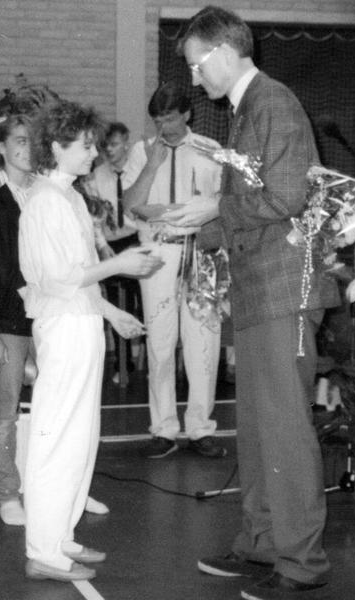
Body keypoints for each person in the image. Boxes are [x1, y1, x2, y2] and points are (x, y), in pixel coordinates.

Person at [165, 7, 340, 600]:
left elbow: (286, 196)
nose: (194, 80)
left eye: (196, 65)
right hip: (261, 290)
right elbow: (256, 205)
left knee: (285, 431)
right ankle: (262, 543)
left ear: (222, 52)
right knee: (260, 432)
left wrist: (213, 210)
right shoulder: (248, 110)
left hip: (284, 291)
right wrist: (196, 225)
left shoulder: (273, 103)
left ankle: (302, 563)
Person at [18, 100, 163, 582]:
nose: (94, 154)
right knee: (57, 438)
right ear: (56, 147)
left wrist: (112, 312)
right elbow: (57, 279)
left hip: (81, 324)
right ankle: (42, 549)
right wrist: (120, 264)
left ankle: (60, 536)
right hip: (62, 329)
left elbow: (81, 277)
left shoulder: (71, 197)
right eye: (84, 146)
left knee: (80, 437)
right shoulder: (44, 201)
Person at [0, 114, 111, 527]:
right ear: (2, 147)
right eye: (19, 141)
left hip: (51, 316)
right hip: (7, 319)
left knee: (61, 410)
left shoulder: (50, 191)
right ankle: (8, 492)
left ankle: (70, 489)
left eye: (32, 141)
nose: (27, 149)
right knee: (4, 410)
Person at [122, 81, 226, 459]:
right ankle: (164, 428)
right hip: (159, 252)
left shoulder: (211, 150)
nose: (163, 126)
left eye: (169, 118)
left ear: (186, 114)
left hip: (202, 253)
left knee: (203, 344)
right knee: (160, 343)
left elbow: (226, 203)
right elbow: (130, 204)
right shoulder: (141, 151)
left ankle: (200, 428)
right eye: (157, 120)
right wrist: (152, 165)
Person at [83, 121, 142, 383]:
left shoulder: (137, 171)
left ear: (126, 143)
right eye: (105, 145)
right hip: (111, 244)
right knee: (117, 304)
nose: (109, 150)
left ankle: (147, 357)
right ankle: (122, 363)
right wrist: (102, 245)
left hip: (136, 239)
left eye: (115, 144)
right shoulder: (96, 175)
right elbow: (94, 218)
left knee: (143, 303)